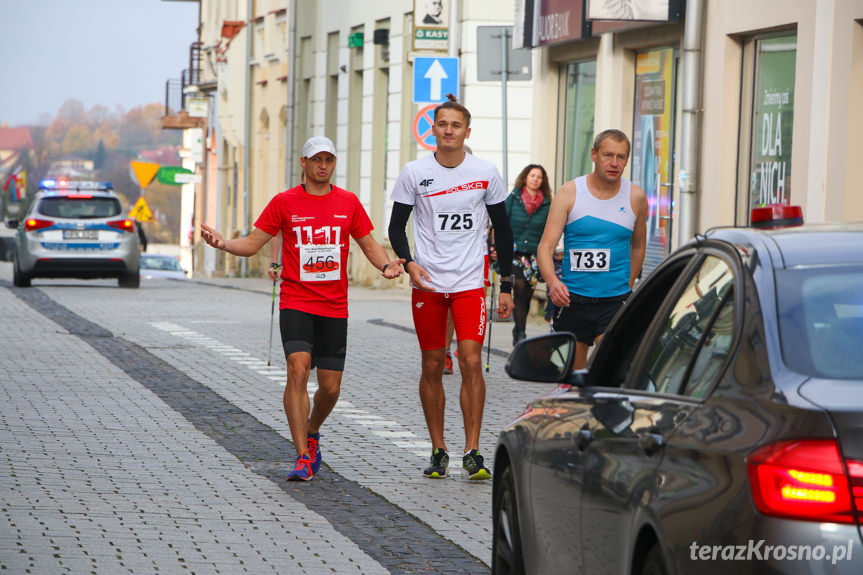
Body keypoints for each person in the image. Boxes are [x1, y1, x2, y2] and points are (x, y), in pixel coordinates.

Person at [200, 136, 405, 482]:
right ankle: (301, 455)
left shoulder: (348, 203)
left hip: (334, 305)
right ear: (303, 163)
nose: (323, 165)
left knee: (330, 388)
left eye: (329, 159)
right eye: (316, 159)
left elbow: (368, 245)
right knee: (298, 367)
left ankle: (312, 430)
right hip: (296, 300)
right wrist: (224, 245)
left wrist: (386, 267)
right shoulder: (284, 202)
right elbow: (253, 243)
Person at [388, 94, 514, 481]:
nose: (448, 131)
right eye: (442, 124)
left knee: (471, 361)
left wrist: (505, 284)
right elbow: (396, 226)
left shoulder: (486, 172)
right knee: (431, 365)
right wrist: (409, 263)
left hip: (470, 283)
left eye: (456, 125)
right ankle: (438, 449)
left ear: (466, 131)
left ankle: (472, 450)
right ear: (433, 129)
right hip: (428, 283)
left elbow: (504, 230)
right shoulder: (414, 171)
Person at [537, 129, 647, 370]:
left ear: (627, 160)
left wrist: (628, 284)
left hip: (614, 301)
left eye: (621, 157)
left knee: (611, 370)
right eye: (608, 155)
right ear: (594, 154)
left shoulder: (636, 196)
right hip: (573, 300)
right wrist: (553, 283)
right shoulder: (570, 193)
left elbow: (638, 246)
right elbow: (545, 247)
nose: (614, 163)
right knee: (573, 381)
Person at [503, 164, 551, 345]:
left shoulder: (547, 203)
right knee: (520, 286)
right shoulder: (513, 199)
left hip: (534, 255)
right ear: (525, 178)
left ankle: (518, 328)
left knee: (527, 293)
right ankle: (521, 333)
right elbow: (501, 223)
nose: (535, 179)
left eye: (539, 177)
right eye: (532, 175)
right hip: (514, 253)